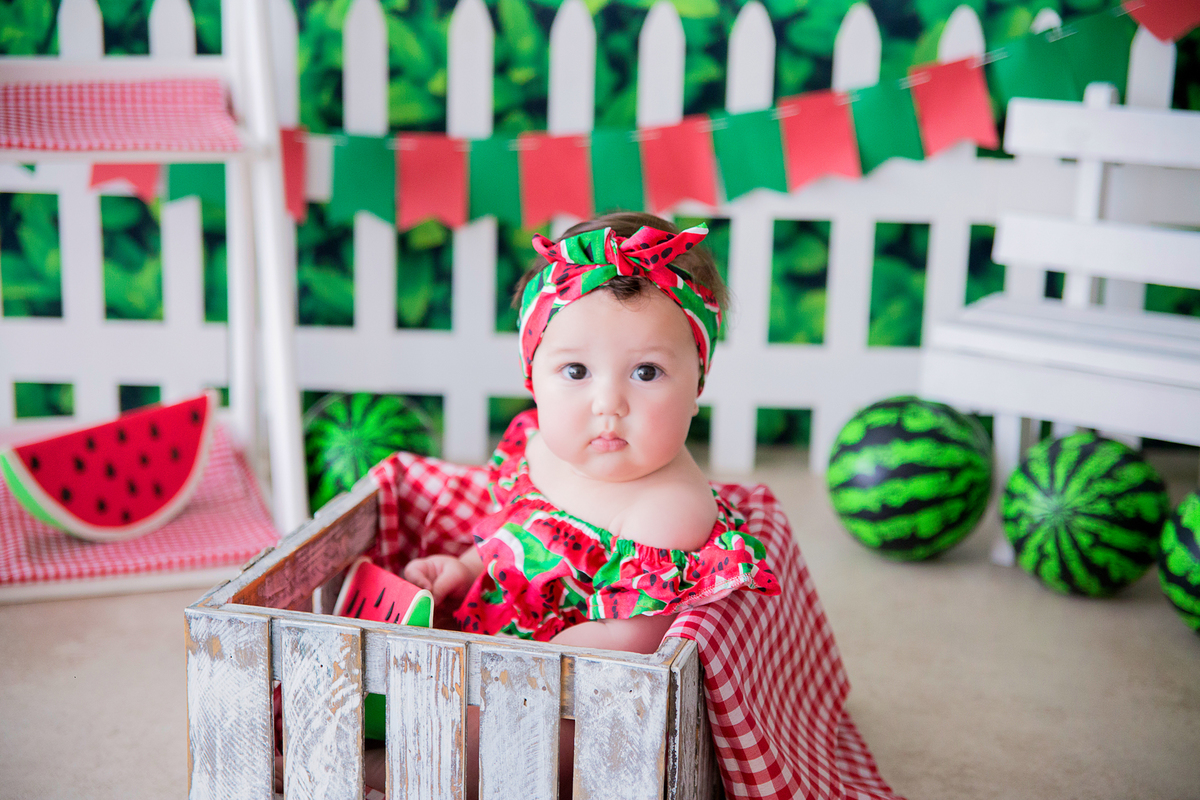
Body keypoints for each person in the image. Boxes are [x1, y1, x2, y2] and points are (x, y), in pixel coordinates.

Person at [362, 211, 779, 795]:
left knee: (519, 738)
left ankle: (399, 772)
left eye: (647, 371)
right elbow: (521, 530)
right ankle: (403, 743)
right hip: (493, 642)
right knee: (407, 673)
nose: (609, 402)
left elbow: (633, 637)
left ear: (698, 384)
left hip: (568, 688)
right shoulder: (542, 446)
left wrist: (537, 666)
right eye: (576, 370)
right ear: (533, 375)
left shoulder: (667, 510)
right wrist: (466, 566)